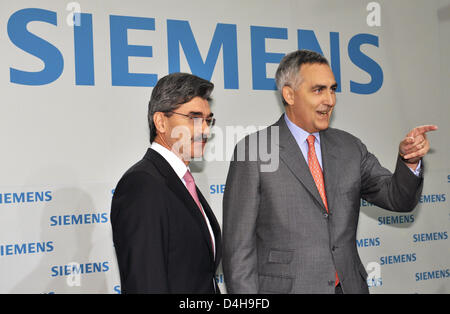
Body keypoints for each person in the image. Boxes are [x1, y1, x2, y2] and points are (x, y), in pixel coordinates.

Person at [222, 50, 437, 294]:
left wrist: (410, 161)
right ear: (289, 94)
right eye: (318, 90)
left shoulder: (350, 147)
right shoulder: (254, 150)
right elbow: (238, 250)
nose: (330, 100)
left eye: (332, 89)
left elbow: (398, 198)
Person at [111, 73, 221, 293]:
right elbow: (145, 283)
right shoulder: (142, 185)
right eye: (194, 118)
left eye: (208, 120)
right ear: (161, 121)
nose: (205, 130)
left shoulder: (179, 180)